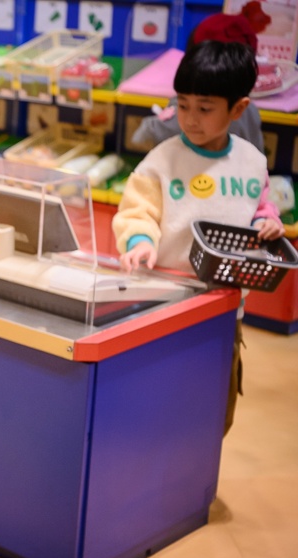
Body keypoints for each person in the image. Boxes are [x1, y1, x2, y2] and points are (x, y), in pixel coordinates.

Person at [112, 40, 285, 433]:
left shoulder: (252, 162)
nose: (189, 118)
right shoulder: (161, 160)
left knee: (212, 408)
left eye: (204, 109)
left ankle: (197, 479)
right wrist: (140, 243)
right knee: (159, 399)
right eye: (182, 104)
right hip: (167, 302)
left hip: (226, 307)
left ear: (238, 108)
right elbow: (138, 213)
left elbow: (261, 210)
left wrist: (267, 224)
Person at [132, 13, 265, 151]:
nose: (191, 121)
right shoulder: (252, 112)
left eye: (204, 109)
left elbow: (145, 134)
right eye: (183, 106)